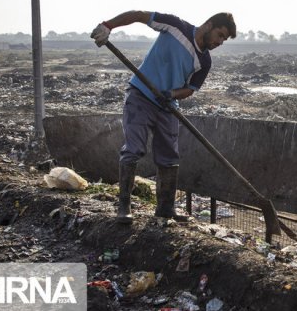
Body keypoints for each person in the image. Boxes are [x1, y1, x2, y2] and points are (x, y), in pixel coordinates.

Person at [90, 11, 236, 223]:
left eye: (224, 39)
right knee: (134, 149)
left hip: (167, 106)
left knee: (169, 156)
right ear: (209, 25)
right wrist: (107, 26)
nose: (220, 42)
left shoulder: (204, 61)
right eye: (220, 35)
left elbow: (190, 89)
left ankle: (165, 208)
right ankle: (124, 206)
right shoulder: (176, 26)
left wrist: (172, 94)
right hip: (141, 95)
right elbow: (139, 15)